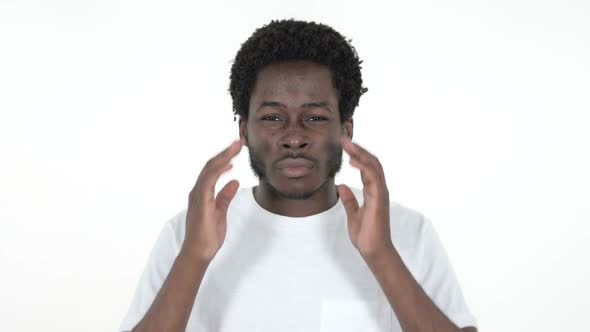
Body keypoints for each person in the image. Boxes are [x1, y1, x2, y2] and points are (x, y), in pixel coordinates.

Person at [119, 19, 478, 332]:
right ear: (244, 131)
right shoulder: (188, 233)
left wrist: (381, 254)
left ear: (346, 129)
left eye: (316, 117)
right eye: (273, 117)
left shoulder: (407, 231)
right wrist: (194, 258)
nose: (294, 137)